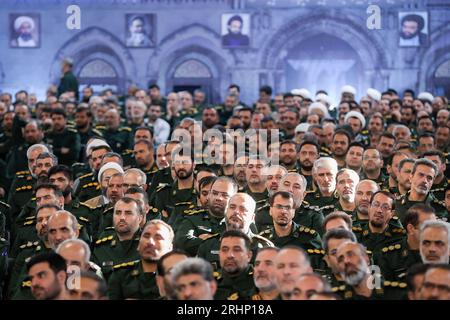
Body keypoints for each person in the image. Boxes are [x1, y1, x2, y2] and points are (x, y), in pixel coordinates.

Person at [107, 220, 173, 299]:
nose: (150, 242)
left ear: (170, 247)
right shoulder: (120, 275)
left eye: (158, 237)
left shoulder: (177, 277)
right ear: (138, 244)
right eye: (146, 236)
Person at [214, 230, 255, 300]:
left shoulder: (260, 282)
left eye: (236, 250)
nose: (230, 255)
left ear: (248, 256)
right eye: (224, 250)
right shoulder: (209, 282)